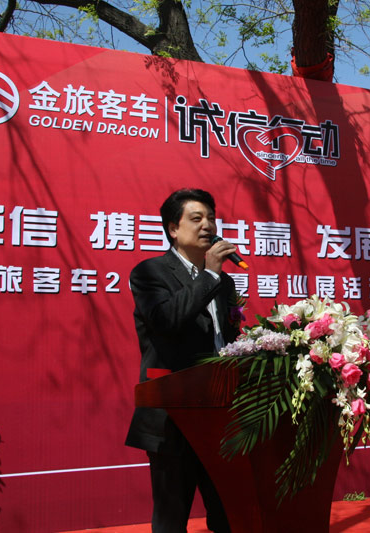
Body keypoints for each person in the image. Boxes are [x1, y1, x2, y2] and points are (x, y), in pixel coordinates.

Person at [125, 188, 240, 533]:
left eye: (211, 218)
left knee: (230, 516)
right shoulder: (150, 273)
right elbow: (166, 321)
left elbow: (225, 341)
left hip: (219, 414)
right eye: (197, 218)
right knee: (171, 521)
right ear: (173, 229)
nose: (208, 226)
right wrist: (209, 276)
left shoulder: (224, 282)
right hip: (173, 417)